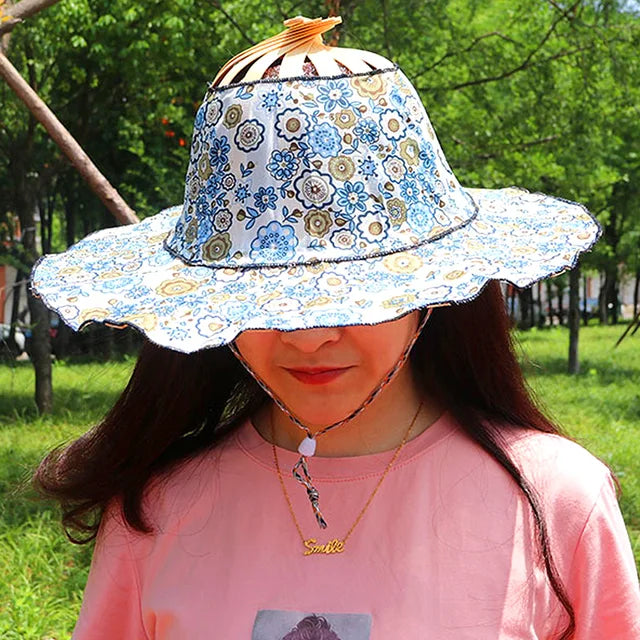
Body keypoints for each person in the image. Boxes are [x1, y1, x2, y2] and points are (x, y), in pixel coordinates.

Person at [30, 16, 640, 640]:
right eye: (265, 300)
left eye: (352, 296)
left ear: (433, 291)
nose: (308, 337)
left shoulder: (557, 502)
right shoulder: (152, 511)